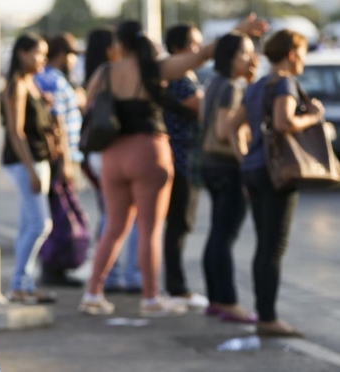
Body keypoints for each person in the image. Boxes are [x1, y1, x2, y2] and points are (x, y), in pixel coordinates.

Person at [79, 16, 268, 317]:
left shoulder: (104, 72)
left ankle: (93, 293)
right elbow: (202, 54)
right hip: (148, 152)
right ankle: (151, 298)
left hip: (113, 154)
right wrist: (238, 32)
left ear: (118, 45)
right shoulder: (154, 69)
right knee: (150, 229)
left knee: (113, 227)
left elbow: (87, 106)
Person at [228, 29, 324, 337]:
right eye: (303, 54)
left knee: (264, 244)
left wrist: (244, 159)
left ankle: (264, 313)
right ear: (293, 54)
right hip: (276, 172)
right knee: (273, 246)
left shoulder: (256, 86)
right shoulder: (284, 83)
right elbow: (284, 123)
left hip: (255, 169)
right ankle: (267, 318)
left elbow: (230, 127)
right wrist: (314, 116)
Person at [200, 32, 258, 323]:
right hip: (226, 166)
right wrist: (244, 164)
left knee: (217, 233)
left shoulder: (214, 83)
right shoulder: (230, 88)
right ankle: (227, 300)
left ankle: (215, 299)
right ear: (229, 57)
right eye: (245, 53)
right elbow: (225, 132)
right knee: (225, 235)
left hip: (210, 166)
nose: (250, 58)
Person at [83, 26, 141, 294]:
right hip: (120, 149)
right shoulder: (119, 70)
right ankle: (128, 274)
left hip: (97, 149)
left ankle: (111, 273)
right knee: (126, 215)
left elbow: (86, 105)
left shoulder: (97, 72)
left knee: (110, 213)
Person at [1, 33, 57, 304]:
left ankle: (24, 284)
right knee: (39, 224)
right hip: (25, 162)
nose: (43, 60)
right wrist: (31, 170)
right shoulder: (17, 86)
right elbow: (15, 131)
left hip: (39, 160)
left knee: (28, 225)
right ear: (22, 53)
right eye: (39, 53)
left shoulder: (31, 82)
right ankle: (19, 283)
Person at [161, 24, 208, 309]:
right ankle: (176, 288)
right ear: (178, 48)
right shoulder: (180, 80)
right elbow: (205, 110)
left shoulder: (178, 77)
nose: (199, 51)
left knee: (178, 225)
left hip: (181, 160)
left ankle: (173, 286)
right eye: (195, 44)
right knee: (179, 225)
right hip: (181, 162)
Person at [35, 32, 86, 287]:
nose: (75, 61)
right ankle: (52, 268)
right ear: (62, 55)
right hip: (59, 157)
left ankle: (55, 267)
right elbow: (57, 124)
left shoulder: (54, 78)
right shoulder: (51, 79)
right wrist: (65, 161)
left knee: (60, 214)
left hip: (61, 156)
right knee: (60, 215)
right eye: (72, 55)